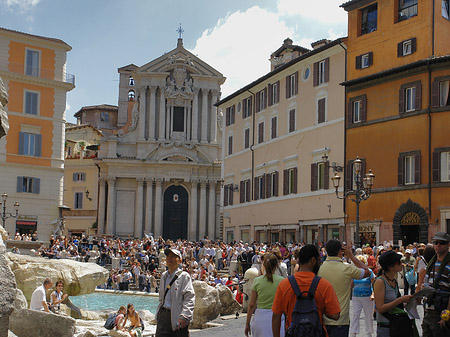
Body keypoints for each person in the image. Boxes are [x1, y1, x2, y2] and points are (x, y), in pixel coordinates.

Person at [272, 244, 341, 337]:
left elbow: (276, 316)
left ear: (299, 261)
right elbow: (335, 315)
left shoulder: (284, 284)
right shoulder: (324, 285)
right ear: (313, 261)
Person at [318, 240, 371, 337]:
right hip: (341, 319)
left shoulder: (319, 269)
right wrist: (351, 256)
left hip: (323, 318)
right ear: (340, 252)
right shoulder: (347, 268)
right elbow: (367, 272)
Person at [156, 247, 195, 337]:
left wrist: (185, 315)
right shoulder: (163, 276)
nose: (170, 258)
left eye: (173, 256)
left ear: (180, 261)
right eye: (168, 256)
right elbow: (161, 298)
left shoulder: (184, 276)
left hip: (178, 316)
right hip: (163, 316)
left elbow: (189, 297)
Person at [373, 250, 413, 337]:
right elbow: (380, 308)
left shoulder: (393, 281)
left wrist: (409, 301)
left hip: (396, 324)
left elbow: (395, 304)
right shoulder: (380, 281)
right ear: (390, 266)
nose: (401, 264)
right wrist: (401, 299)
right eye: (399, 262)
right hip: (386, 327)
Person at [245, 253, 284, 337]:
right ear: (276, 265)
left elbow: (252, 304)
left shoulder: (257, 281)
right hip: (278, 317)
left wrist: (247, 323)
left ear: (264, 265)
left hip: (260, 317)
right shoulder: (283, 281)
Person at [422, 232, 450, 337]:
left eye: (442, 243)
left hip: (441, 312)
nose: (438, 245)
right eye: (436, 242)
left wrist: (446, 315)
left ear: (448, 245)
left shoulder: (448, 265)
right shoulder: (432, 263)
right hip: (428, 309)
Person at [349, 256, 375, 337]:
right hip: (356, 296)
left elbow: (374, 284)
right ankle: (353, 332)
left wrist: (373, 294)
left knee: (368, 315)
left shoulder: (369, 272)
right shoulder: (354, 272)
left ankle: (369, 332)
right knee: (355, 314)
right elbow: (351, 285)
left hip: (367, 296)